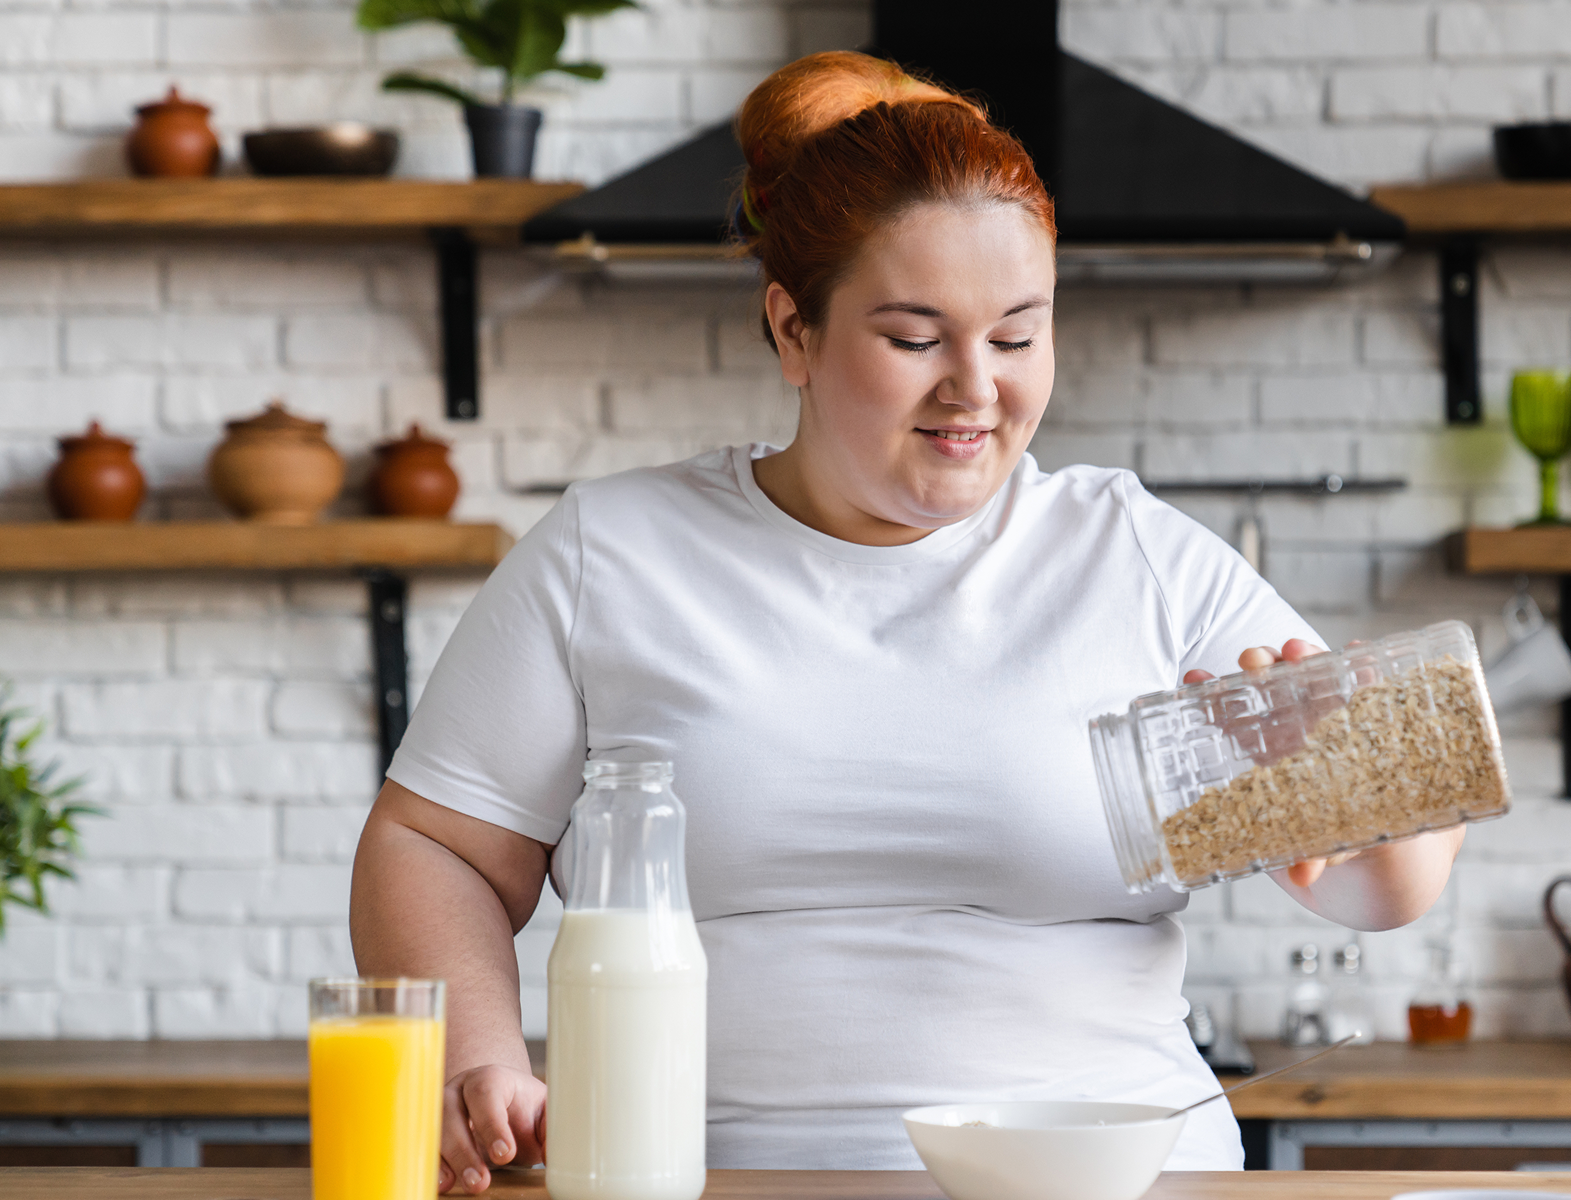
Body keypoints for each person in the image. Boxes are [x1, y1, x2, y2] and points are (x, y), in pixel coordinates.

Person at [350, 51, 1464, 1196]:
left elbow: (1384, 885)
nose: (975, 388)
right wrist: (474, 1057)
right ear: (793, 329)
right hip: (697, 1180)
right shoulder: (610, 553)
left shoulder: (1134, 554)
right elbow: (434, 844)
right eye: (916, 338)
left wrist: (1347, 788)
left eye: (1017, 336)